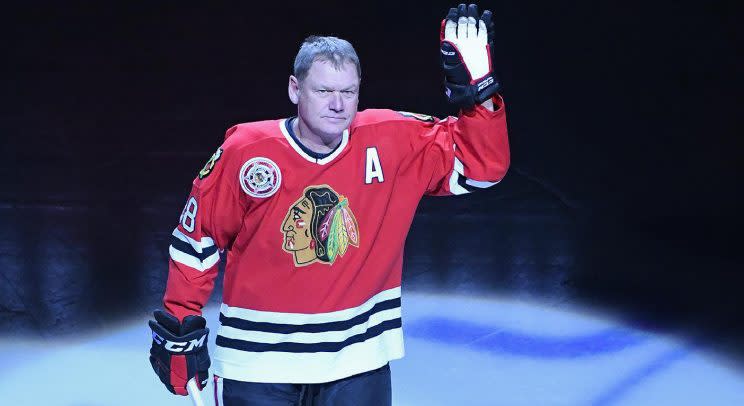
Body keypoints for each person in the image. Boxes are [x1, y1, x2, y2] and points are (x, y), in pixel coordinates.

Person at [149, 3, 509, 405]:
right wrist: (181, 317)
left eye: (348, 92)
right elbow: (196, 240)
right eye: (323, 91)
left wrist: (480, 94)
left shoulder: (392, 140)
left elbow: (482, 167)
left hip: (357, 361)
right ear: (294, 89)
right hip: (257, 364)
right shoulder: (247, 152)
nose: (338, 104)